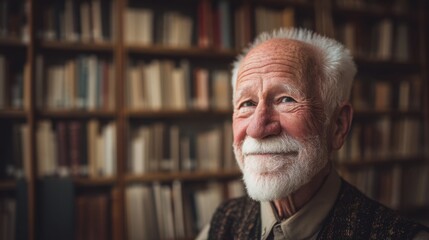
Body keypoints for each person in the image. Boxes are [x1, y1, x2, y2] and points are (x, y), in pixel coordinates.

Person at [198, 28, 429, 239]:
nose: (257, 129)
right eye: (247, 103)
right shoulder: (219, 226)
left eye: (285, 99)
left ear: (338, 125)